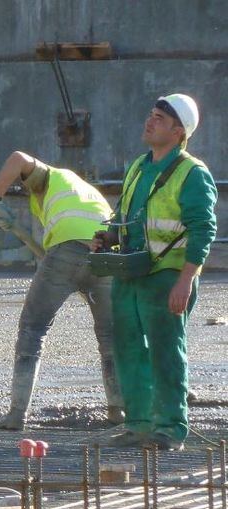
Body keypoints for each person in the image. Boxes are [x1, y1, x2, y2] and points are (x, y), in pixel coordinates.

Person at [92, 94, 217, 451]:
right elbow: (124, 216)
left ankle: (171, 428)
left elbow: (202, 229)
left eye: (159, 118)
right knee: (128, 349)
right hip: (131, 272)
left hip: (167, 274)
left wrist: (186, 279)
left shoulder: (192, 173)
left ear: (179, 131)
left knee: (164, 350)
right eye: (151, 114)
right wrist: (108, 237)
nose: (150, 121)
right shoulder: (138, 166)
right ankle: (139, 424)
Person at [0, 151, 124, 430]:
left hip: (69, 251)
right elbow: (52, 255)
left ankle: (16, 414)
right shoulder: (84, 194)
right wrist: (17, 227)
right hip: (106, 253)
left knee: (33, 328)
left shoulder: (52, 177)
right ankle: (117, 410)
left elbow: (16, 158)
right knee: (111, 337)